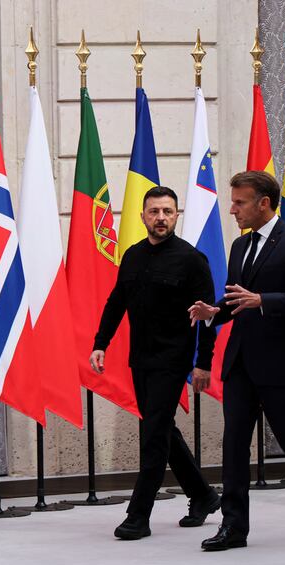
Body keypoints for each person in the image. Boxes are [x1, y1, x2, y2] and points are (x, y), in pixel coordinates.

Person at [189, 171, 285, 551]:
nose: (232, 210)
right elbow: (236, 300)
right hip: (241, 361)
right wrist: (214, 312)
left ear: (264, 203)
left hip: (281, 360)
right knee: (234, 442)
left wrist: (264, 300)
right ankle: (234, 526)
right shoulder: (239, 246)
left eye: (239, 202)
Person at [91, 186, 221, 541]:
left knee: (152, 437)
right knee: (162, 430)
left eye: (167, 211)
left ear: (176, 216)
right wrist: (101, 343)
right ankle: (203, 495)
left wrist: (203, 363)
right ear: (143, 216)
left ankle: (138, 516)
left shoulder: (192, 259)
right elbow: (116, 302)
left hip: (173, 361)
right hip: (140, 360)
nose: (161, 217)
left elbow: (209, 318)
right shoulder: (132, 256)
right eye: (154, 211)